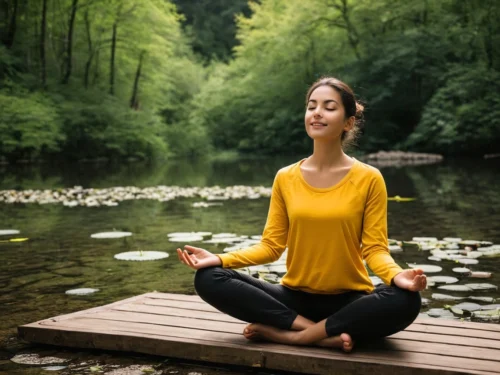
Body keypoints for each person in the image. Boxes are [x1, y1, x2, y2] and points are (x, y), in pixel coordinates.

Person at [177, 77, 426, 353]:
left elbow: (375, 249)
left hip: (350, 301)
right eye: (312, 106)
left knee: (407, 300)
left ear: (348, 122)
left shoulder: (369, 178)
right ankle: (320, 332)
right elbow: (271, 247)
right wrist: (220, 258)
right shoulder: (286, 177)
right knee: (209, 278)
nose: (317, 112)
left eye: (329, 107)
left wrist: (396, 276)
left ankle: (294, 336)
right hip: (292, 299)